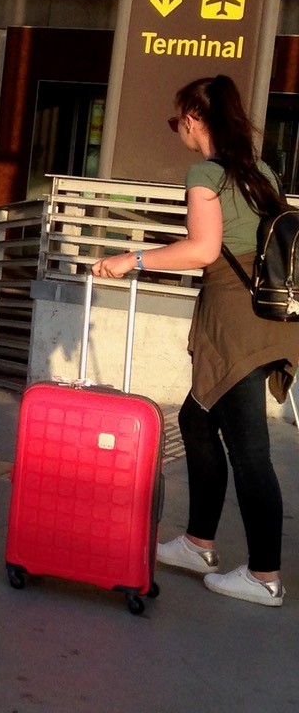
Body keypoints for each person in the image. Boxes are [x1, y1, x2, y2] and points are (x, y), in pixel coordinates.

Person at [92, 75, 293, 608]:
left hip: (233, 324)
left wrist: (129, 259)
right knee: (196, 421)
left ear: (195, 118)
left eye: (178, 117)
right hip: (266, 316)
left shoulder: (204, 174)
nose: (177, 127)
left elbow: (203, 249)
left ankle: (265, 576)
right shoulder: (261, 172)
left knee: (250, 450)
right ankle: (198, 542)